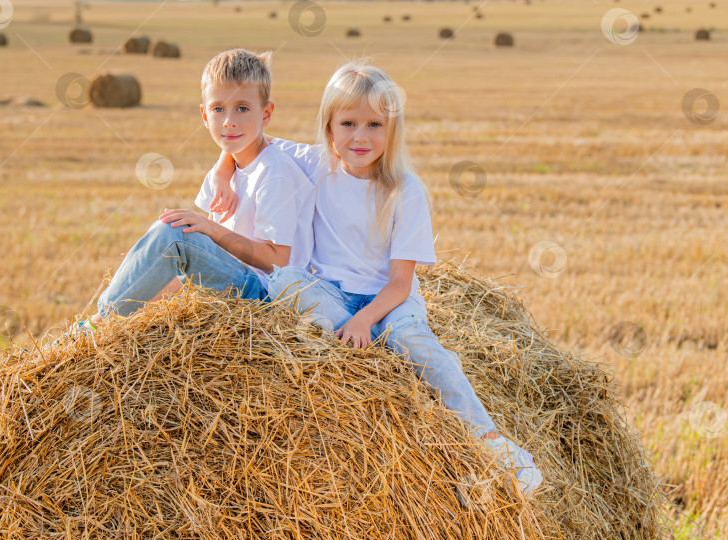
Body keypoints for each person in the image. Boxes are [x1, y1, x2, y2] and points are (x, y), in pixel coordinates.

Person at [208, 62, 542, 495]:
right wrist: (221, 169)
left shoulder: (405, 190)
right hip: (330, 293)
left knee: (414, 344)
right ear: (328, 128)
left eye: (374, 125)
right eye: (347, 123)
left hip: (389, 301)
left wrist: (365, 320)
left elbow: (401, 283)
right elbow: (246, 138)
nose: (360, 137)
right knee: (286, 283)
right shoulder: (314, 163)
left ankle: (493, 443)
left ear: (392, 129)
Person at [71, 48, 314, 334]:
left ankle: (94, 328)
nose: (229, 121)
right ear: (204, 114)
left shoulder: (275, 174)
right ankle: (113, 326)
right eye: (218, 109)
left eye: (243, 108)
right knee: (168, 229)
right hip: (238, 284)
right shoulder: (232, 163)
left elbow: (277, 261)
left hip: (268, 298)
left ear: (267, 114)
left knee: (174, 235)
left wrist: (210, 229)